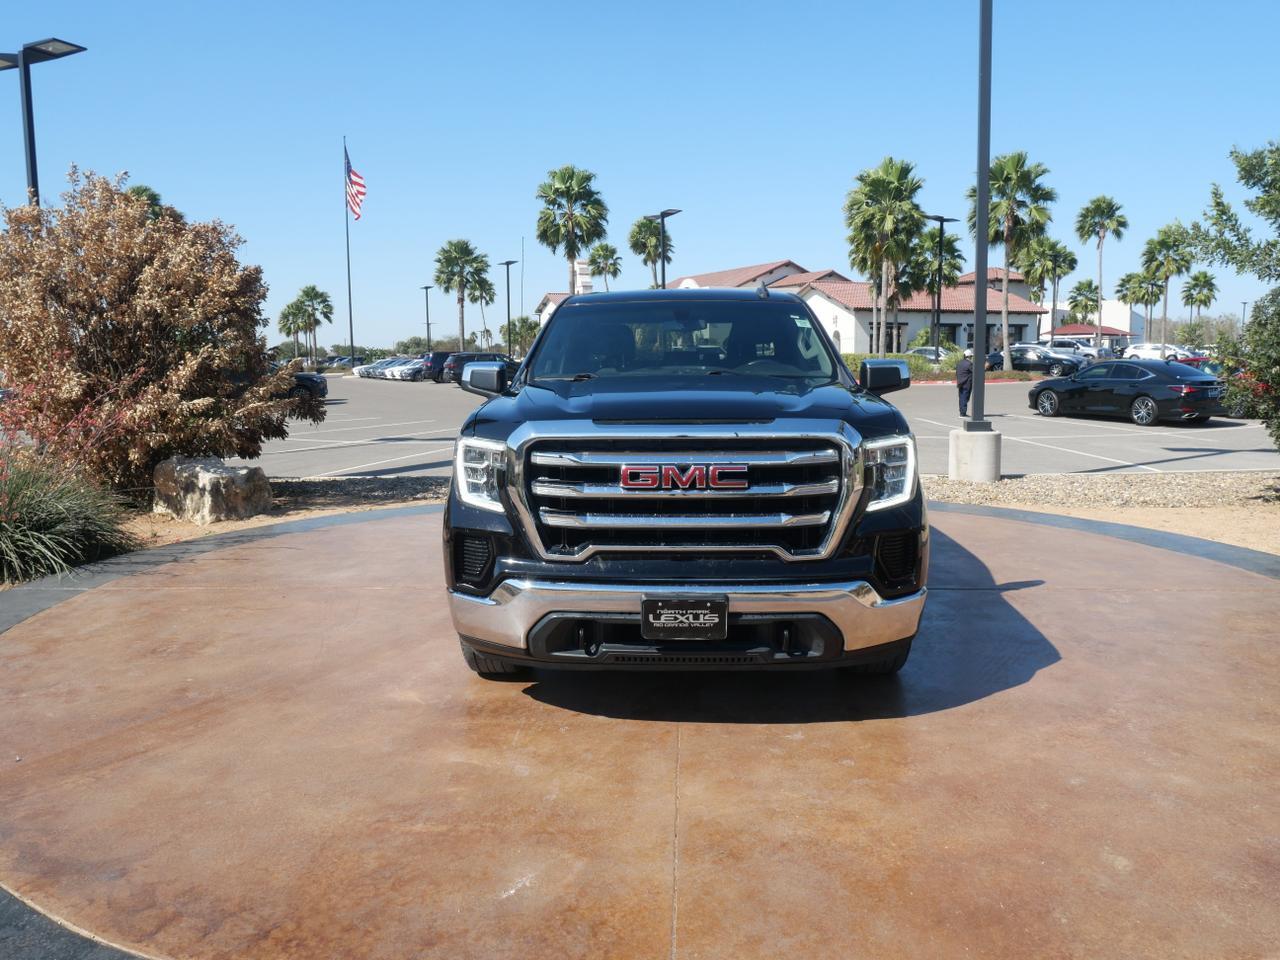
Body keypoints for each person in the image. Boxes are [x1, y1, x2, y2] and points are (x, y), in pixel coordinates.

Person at [956, 348, 974, 416]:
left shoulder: (959, 363)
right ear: (969, 356)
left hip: (960, 383)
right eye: (971, 356)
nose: (971, 358)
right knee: (965, 398)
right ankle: (963, 413)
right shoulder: (969, 364)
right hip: (967, 383)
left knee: (961, 398)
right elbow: (975, 371)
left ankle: (962, 412)